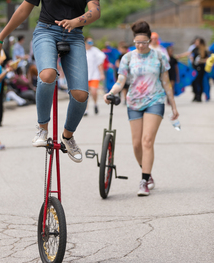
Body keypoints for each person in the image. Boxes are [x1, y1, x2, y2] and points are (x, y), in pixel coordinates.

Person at [0, 0, 101, 163]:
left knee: (81, 94)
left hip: (74, 35)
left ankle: (68, 136)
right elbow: (23, 11)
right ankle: (42, 128)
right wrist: (1, 37)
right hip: (46, 33)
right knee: (48, 73)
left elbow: (95, 11)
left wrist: (76, 21)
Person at [104, 21, 179, 196]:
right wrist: (110, 92)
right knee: (137, 144)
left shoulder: (159, 57)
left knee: (147, 141)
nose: (140, 45)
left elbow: (166, 82)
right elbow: (121, 81)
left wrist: (173, 106)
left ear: (149, 41)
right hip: (134, 102)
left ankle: (144, 180)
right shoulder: (128, 58)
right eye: (137, 42)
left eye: (143, 42)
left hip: (155, 100)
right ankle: (148, 173)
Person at [84, 37, 105, 115]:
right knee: (85, 93)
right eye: (89, 42)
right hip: (85, 75)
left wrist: (101, 73)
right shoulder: (82, 50)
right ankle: (86, 109)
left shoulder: (95, 51)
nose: (91, 43)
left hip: (94, 75)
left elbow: (100, 63)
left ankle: (95, 104)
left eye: (91, 42)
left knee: (94, 91)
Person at [192, 38, 210, 102]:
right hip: (194, 68)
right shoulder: (194, 49)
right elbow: (189, 54)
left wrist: (201, 61)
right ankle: (195, 95)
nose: (196, 42)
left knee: (199, 82)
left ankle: (199, 95)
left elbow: (207, 59)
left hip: (201, 69)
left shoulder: (203, 50)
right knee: (194, 82)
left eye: (197, 41)